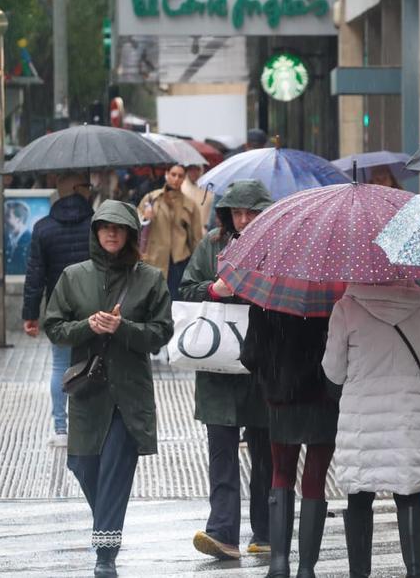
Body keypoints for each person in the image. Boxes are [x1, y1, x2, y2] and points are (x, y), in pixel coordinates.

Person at [42, 200, 173, 578]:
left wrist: (123, 328)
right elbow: (54, 327)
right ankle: (108, 526)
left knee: (116, 468)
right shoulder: (73, 276)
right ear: (95, 232)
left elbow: (161, 333)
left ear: (130, 233)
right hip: (88, 391)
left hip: (128, 395)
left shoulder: (150, 279)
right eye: (104, 227)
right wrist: (88, 326)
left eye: (118, 227)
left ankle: (105, 555)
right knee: (82, 464)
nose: (111, 233)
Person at [179, 180, 275, 560]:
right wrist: (214, 290)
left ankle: (265, 531)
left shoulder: (277, 246)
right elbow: (186, 289)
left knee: (265, 453)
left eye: (251, 212)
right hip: (217, 366)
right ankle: (222, 532)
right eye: (237, 212)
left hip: (262, 366)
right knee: (221, 451)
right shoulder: (212, 245)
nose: (244, 219)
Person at [323, 281, 420, 578]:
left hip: (361, 418)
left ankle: (359, 573)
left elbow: (334, 371)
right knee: (410, 494)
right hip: (410, 413)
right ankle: (416, 571)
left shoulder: (346, 307)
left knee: (359, 497)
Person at [240, 306, 337, 578]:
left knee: (281, 474)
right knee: (315, 479)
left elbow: (250, 355)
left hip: (282, 398)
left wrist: (272, 374)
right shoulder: (334, 299)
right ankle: (306, 568)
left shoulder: (269, 298)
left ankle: (279, 564)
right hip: (323, 398)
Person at [22, 173, 95, 446]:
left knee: (60, 366)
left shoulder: (43, 228)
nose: (90, 190)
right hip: (91, 306)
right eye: (87, 186)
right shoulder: (95, 225)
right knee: (91, 364)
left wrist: (30, 315)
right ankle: (86, 424)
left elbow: (35, 276)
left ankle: (61, 428)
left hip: (58, 307)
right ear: (76, 188)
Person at [138, 164, 204, 296]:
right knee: (152, 296)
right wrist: (145, 217)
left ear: (184, 178)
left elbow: (196, 238)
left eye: (180, 176)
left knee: (174, 298)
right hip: (154, 257)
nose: (176, 179)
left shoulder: (190, 205)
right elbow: (137, 223)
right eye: (173, 175)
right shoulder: (152, 198)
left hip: (178, 259)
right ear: (167, 174)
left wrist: (197, 264)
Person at [181, 163, 215, 231]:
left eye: (197, 169)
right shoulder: (181, 188)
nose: (194, 172)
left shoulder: (208, 188)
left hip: (205, 231)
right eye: (191, 169)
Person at [5, 200, 33, 274]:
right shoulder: (8, 239)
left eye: (7, 216)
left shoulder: (31, 240)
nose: (4, 220)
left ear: (19, 219)